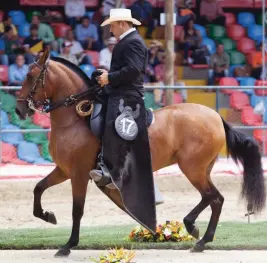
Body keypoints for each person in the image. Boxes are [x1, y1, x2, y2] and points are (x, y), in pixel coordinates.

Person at [89, 8, 158, 232]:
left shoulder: (134, 42)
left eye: (112, 24)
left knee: (114, 124)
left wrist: (110, 77)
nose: (110, 28)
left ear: (122, 23)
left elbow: (134, 70)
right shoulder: (127, 41)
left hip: (128, 95)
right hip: (117, 90)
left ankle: (112, 170)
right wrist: (104, 76)